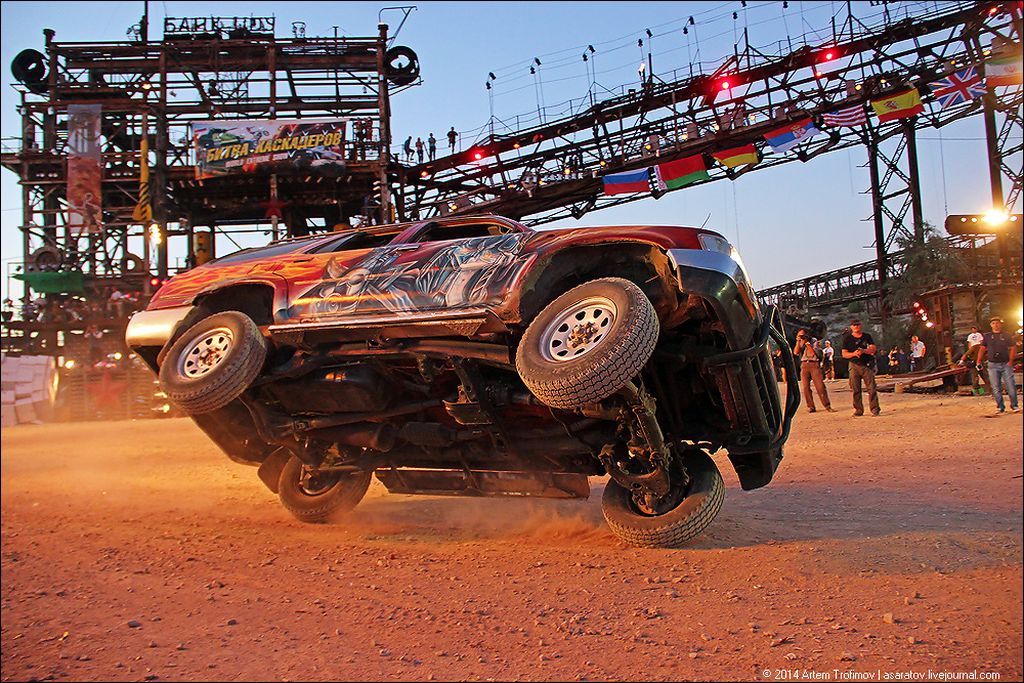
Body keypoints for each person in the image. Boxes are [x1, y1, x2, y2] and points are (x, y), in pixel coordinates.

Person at [977, 316, 1019, 414]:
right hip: (993, 365)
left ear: (1000, 324)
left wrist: (1011, 361)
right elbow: (982, 348)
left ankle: (1014, 405)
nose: (995, 325)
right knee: (996, 387)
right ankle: (1000, 407)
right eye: (993, 323)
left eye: (997, 323)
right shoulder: (987, 336)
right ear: (991, 325)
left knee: (1010, 385)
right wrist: (978, 361)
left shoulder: (1006, 335)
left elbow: (1013, 347)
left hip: (1005, 363)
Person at [841, 319, 880, 416]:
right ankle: (858, 409)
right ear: (851, 327)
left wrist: (864, 351)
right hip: (854, 365)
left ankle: (875, 409)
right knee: (856, 389)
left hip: (866, 364)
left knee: (871, 388)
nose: (856, 327)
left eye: (857, 324)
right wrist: (854, 354)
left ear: (860, 325)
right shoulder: (847, 339)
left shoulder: (867, 336)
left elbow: (873, 349)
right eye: (854, 325)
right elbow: (844, 354)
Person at [794, 329, 834, 413]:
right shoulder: (800, 342)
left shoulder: (814, 341)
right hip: (804, 364)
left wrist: (807, 344)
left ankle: (827, 405)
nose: (801, 337)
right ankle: (811, 406)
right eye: (799, 335)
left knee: (820, 386)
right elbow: (796, 352)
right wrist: (798, 341)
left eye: (802, 335)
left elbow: (814, 354)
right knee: (806, 387)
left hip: (814, 364)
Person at [958, 326, 989, 394]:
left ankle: (985, 390)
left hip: (979, 363)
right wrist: (961, 361)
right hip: (974, 363)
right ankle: (981, 391)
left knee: (981, 376)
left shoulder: (981, 346)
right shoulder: (975, 347)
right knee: (978, 377)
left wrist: (961, 361)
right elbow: (966, 354)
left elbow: (966, 354)